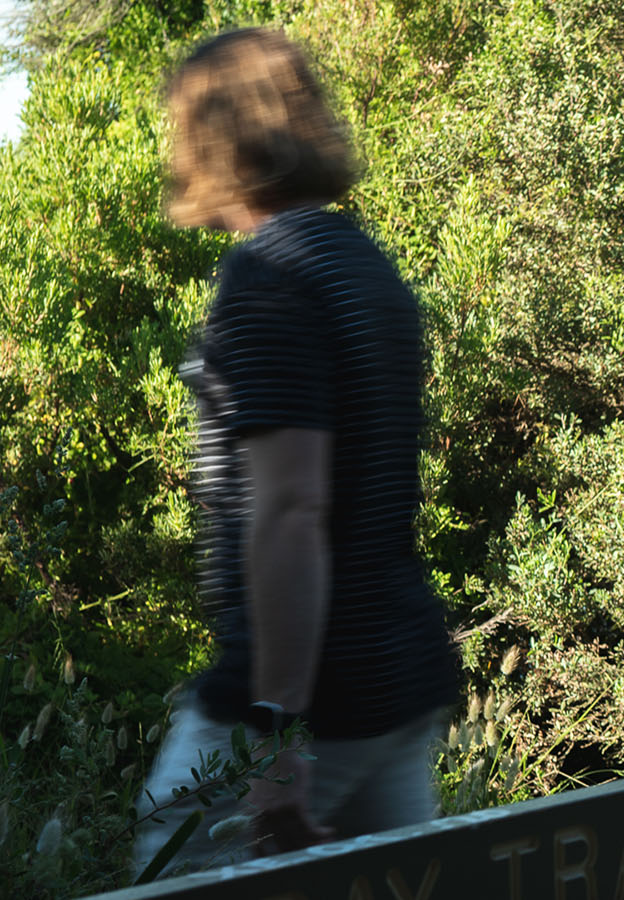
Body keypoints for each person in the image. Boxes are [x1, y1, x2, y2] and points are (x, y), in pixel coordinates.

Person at [134, 27, 458, 875]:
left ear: (213, 137)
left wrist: (275, 734)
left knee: (165, 861)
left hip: (314, 696)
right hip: (395, 675)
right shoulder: (364, 264)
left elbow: (291, 509)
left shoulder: (268, 277)